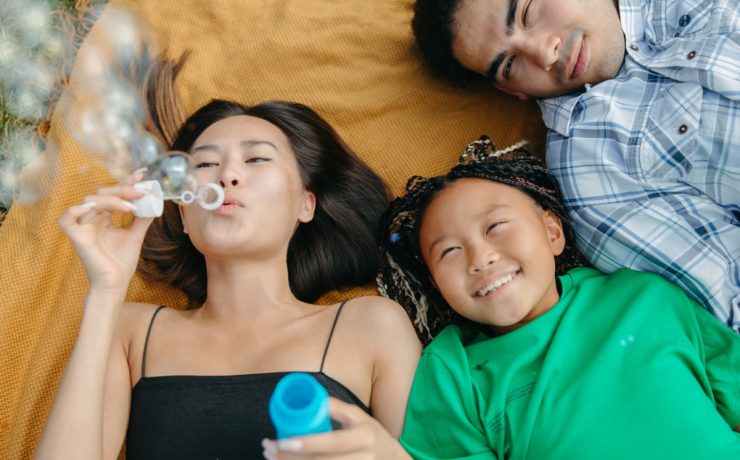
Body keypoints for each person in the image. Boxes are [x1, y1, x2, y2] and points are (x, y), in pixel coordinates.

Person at [35, 56, 420, 459]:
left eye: (256, 159)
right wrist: (105, 291)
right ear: (184, 213)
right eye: (204, 163)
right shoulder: (129, 329)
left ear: (305, 205)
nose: (227, 176)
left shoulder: (372, 325)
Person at [377, 136, 740, 459]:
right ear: (438, 287)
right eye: (450, 251)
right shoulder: (452, 372)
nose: (480, 258)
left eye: (495, 227)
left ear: (552, 232)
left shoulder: (643, 298)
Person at [411, 0, 740, 333]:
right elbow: (726, 298)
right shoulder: (589, 170)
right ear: (512, 90)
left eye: (527, 13)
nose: (546, 54)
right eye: (511, 64)